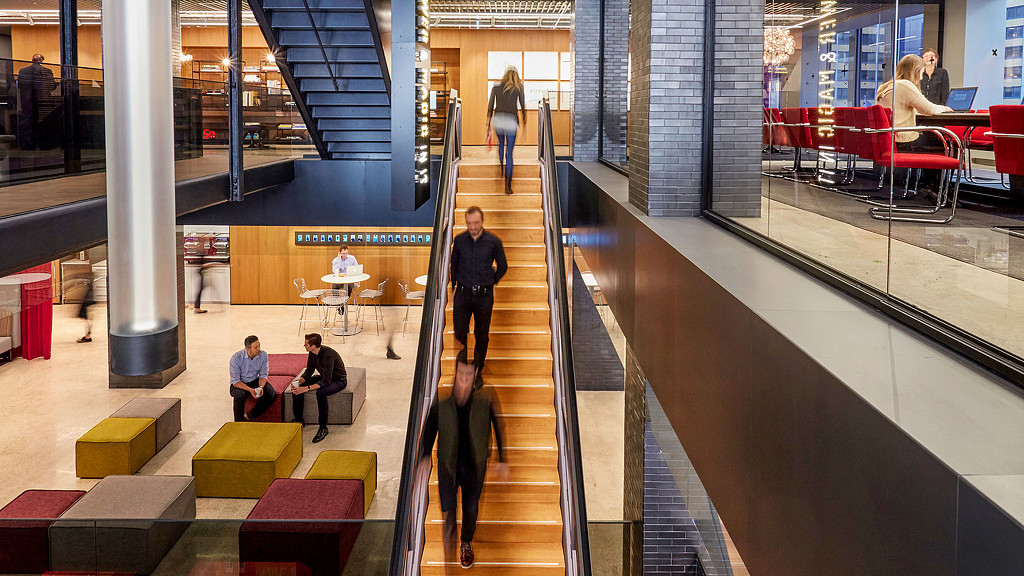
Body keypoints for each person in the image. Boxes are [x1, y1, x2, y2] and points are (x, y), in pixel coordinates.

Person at [420, 349, 507, 569]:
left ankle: (466, 542)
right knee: (449, 507)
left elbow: (498, 425)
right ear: (455, 373)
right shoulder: (442, 403)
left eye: (469, 375)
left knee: (470, 508)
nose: (465, 380)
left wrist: (502, 458)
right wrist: (424, 457)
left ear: (476, 373)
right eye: (461, 375)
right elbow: (429, 430)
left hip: (474, 467)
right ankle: (450, 527)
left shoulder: (485, 399)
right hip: (449, 467)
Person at [875, 54, 953, 195]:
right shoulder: (906, 85)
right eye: (922, 72)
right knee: (943, 145)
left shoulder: (888, 86)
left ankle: (928, 188)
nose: (922, 77)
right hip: (902, 140)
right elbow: (929, 109)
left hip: (889, 139)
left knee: (933, 141)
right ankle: (933, 190)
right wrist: (944, 108)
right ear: (916, 70)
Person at [451, 206, 507, 388]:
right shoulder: (459, 240)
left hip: (484, 296)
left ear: (482, 221)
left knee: (481, 335)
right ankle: (462, 371)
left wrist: (492, 281)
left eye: (475, 223)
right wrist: (453, 286)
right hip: (463, 294)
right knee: (460, 333)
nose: (472, 227)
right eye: (469, 224)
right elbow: (454, 264)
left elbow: (503, 266)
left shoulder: (493, 242)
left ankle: (478, 370)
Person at [291, 332, 348, 443]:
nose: (304, 346)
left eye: (306, 344)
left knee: (321, 393)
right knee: (297, 387)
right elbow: (309, 371)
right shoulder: (312, 353)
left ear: (313, 346)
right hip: (325, 377)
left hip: (338, 380)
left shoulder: (328, 354)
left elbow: (326, 382)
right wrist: (299, 382)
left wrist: (306, 388)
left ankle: (323, 427)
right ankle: (299, 420)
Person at [486, 67, 527, 194]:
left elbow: (490, 105)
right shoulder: (518, 88)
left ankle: (501, 167)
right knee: (509, 153)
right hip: (511, 121)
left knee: (501, 145)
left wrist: (488, 122)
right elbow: (522, 105)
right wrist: (524, 120)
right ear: (516, 77)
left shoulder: (496, 87)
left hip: (498, 120)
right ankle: (508, 185)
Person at [229, 335, 278, 422]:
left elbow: (263, 375)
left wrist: (261, 387)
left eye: (259, 346)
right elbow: (235, 381)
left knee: (271, 393)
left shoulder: (263, 355)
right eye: (256, 347)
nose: (259, 348)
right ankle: (238, 422)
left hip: (254, 380)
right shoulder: (236, 358)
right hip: (240, 384)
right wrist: (250, 390)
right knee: (240, 395)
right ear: (248, 349)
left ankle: (250, 415)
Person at [16, 54, 56, 151]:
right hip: (42, 101)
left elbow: (19, 86)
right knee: (43, 122)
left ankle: (28, 145)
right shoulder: (46, 71)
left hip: (26, 102)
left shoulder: (22, 71)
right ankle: (43, 145)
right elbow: (52, 87)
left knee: (27, 122)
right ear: (42, 61)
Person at [331, 245, 358, 313]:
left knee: (348, 287)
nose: (345, 255)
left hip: (349, 280)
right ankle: (341, 305)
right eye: (343, 253)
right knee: (334, 289)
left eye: (346, 253)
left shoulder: (352, 258)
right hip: (339, 280)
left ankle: (343, 304)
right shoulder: (335, 260)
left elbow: (357, 268)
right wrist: (339, 260)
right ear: (339, 253)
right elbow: (334, 271)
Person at [75, 271, 95, 343]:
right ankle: (87, 335)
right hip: (88, 303)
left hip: (87, 303)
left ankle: (88, 337)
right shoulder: (90, 285)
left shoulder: (90, 287)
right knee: (87, 319)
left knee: (87, 320)